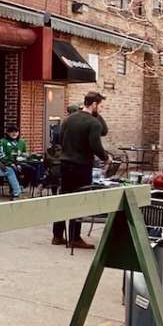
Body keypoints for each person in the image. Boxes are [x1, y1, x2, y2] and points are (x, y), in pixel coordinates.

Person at [55, 91, 110, 249]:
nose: (102, 109)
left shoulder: (68, 119)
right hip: (81, 165)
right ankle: (74, 237)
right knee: (79, 201)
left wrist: (94, 113)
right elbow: (96, 144)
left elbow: (60, 139)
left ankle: (57, 235)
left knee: (63, 198)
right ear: (94, 105)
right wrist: (106, 157)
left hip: (65, 163)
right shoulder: (93, 123)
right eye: (100, 106)